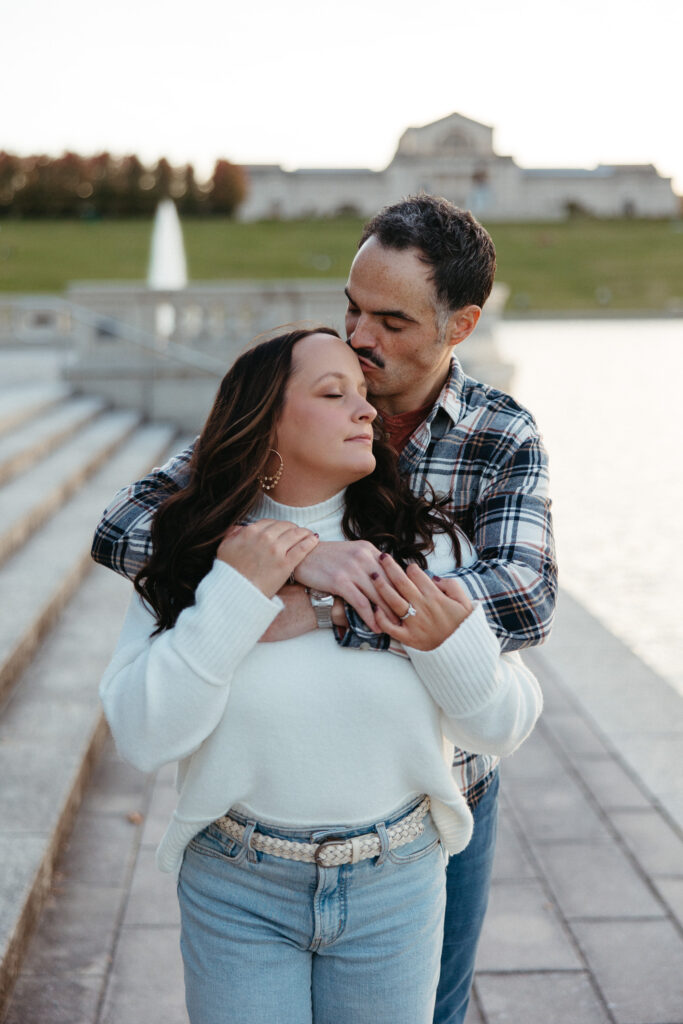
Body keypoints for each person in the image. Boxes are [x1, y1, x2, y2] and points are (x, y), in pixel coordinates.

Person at [92, 195, 557, 1024]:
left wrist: (328, 605)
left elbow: (520, 602)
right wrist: (281, 567)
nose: (360, 339)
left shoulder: (497, 435)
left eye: (390, 320)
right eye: (350, 308)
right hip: (244, 855)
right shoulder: (294, 398)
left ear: (460, 325)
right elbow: (129, 529)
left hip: (434, 798)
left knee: (439, 1009)